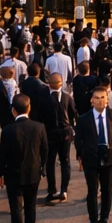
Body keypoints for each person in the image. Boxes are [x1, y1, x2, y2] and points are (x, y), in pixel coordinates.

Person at [0, 93, 48, 223]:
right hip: (33, 173)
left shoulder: (8, 130)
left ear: (13, 111)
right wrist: (42, 168)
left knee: (16, 210)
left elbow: (2, 154)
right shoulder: (39, 127)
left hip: (13, 175)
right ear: (29, 108)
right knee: (31, 207)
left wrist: (0, 172)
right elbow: (45, 149)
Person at [74, 86, 112, 223]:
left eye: (103, 97)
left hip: (109, 158)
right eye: (97, 98)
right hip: (91, 160)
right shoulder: (83, 119)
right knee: (92, 190)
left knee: (107, 190)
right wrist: (81, 155)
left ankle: (105, 217)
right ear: (91, 101)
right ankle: (93, 220)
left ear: (107, 100)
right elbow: (78, 139)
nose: (100, 101)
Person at [42, 72, 77, 204]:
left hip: (50, 134)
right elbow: (74, 114)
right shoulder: (68, 98)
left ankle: (52, 190)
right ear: (61, 84)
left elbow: (40, 118)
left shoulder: (44, 99)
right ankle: (64, 190)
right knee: (65, 161)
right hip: (66, 133)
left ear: (49, 84)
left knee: (50, 163)